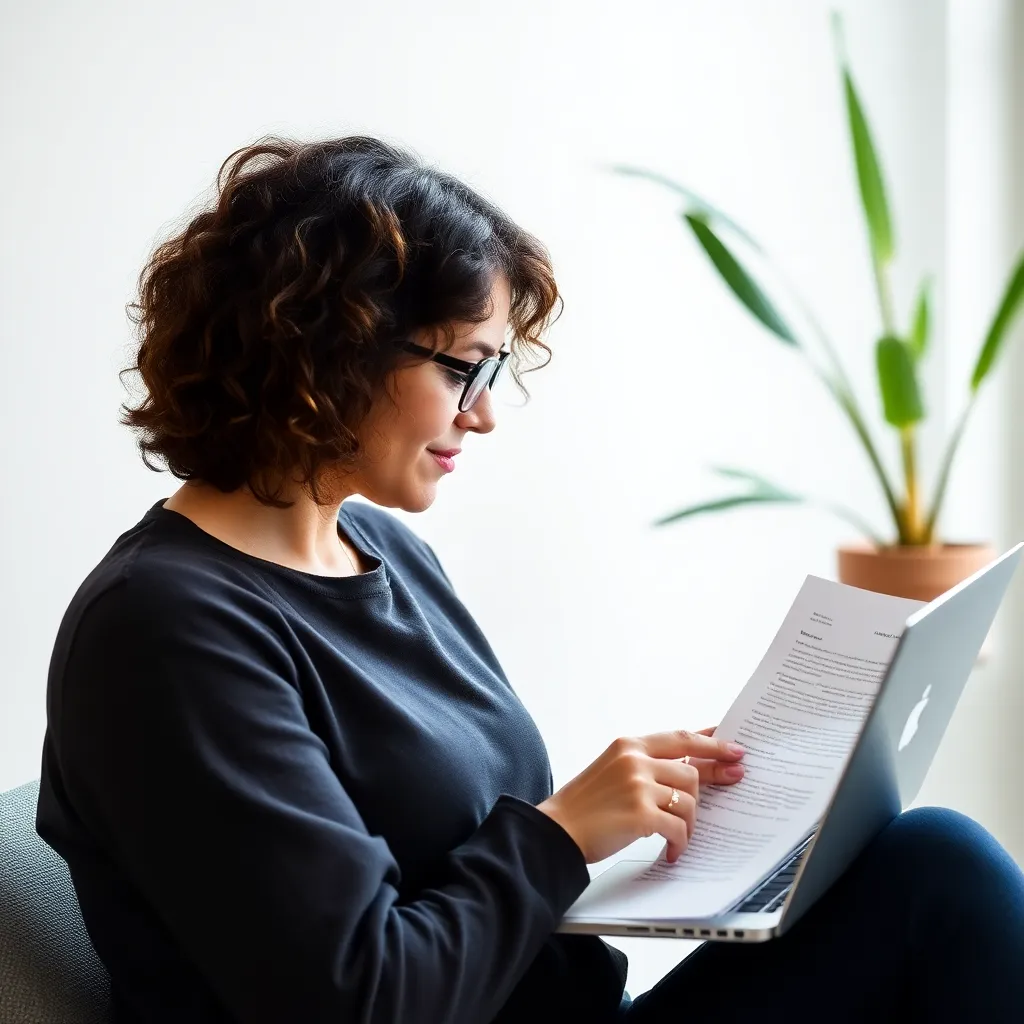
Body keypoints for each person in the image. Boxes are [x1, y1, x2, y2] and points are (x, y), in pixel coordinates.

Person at [36, 136, 1024, 1024]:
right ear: (326, 350)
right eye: (463, 368)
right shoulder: (164, 629)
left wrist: (662, 818)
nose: (483, 413)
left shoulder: (382, 548)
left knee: (933, 868)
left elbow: (467, 858)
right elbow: (360, 997)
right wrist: (560, 836)